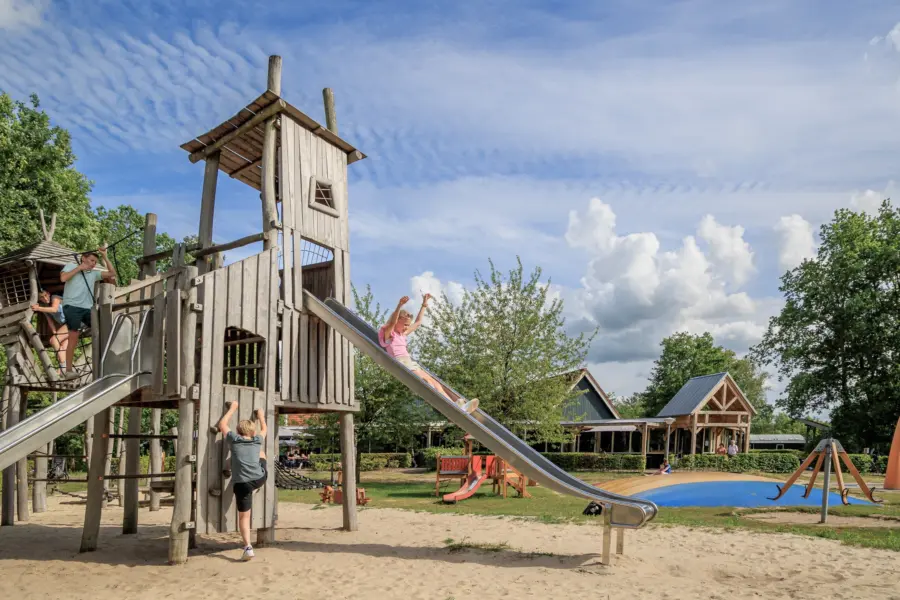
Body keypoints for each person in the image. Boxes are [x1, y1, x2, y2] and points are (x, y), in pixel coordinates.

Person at [380, 294, 478, 414]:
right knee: (428, 382)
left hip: (410, 362)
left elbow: (418, 322)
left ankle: (458, 402)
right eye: (405, 324)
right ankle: (455, 406)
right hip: (401, 363)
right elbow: (392, 323)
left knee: (434, 381)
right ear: (397, 322)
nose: (407, 327)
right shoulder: (390, 335)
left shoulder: (403, 334)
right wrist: (400, 305)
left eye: (407, 325)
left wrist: (424, 304)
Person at [217, 400, 267, 561]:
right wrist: (260, 416)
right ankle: (253, 483)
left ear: (238, 431)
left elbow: (222, 424)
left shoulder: (234, 439)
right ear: (252, 433)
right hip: (259, 478)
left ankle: (248, 548)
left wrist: (233, 408)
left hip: (242, 484)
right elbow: (264, 429)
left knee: (243, 517)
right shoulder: (257, 440)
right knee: (262, 453)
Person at [59, 246, 117, 379]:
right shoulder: (71, 265)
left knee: (104, 328)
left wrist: (104, 256)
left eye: (95, 262)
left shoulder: (94, 273)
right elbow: (63, 278)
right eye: (91, 260)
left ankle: (106, 361)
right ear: (83, 259)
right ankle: (68, 370)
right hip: (72, 306)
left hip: (87, 308)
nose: (93, 263)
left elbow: (112, 273)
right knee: (73, 336)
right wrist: (79, 268)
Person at [31, 289, 70, 374]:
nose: (45, 298)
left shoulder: (55, 298)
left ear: (48, 293)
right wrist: (54, 332)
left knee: (53, 340)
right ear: (40, 299)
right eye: (42, 297)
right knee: (62, 348)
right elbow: (50, 321)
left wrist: (39, 308)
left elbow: (54, 309)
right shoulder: (45, 306)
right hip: (66, 325)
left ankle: (64, 369)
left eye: (45, 295)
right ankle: (63, 370)